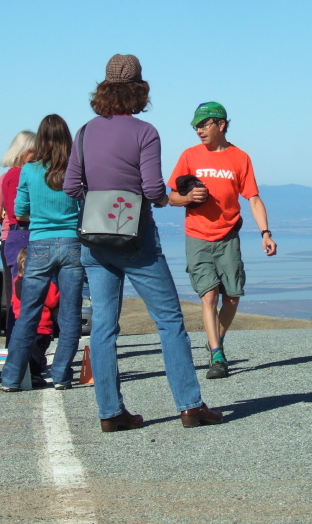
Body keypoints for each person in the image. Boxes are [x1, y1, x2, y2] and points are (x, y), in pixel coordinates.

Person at [64, 53, 221, 432]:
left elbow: (71, 187)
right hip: (136, 237)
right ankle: (189, 405)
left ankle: (110, 412)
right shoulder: (145, 132)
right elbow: (152, 189)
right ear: (139, 89)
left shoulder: (84, 132)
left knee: (103, 326)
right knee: (168, 321)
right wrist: (169, 197)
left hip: (95, 240)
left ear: (103, 88)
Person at [168, 101, 276, 379]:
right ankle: (217, 356)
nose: (199, 131)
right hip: (197, 236)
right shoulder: (189, 156)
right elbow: (170, 197)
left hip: (229, 237)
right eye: (196, 126)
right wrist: (188, 197)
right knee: (209, 295)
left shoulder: (240, 158)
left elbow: (252, 198)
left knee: (232, 297)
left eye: (204, 125)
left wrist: (266, 233)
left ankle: (215, 338)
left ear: (221, 125)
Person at [0, 115, 84, 393]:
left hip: (38, 243)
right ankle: (61, 374)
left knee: (28, 312)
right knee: (70, 314)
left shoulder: (29, 170)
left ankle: (12, 377)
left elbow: (19, 210)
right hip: (72, 242)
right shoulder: (76, 169)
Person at [0, 130, 36, 343]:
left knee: (12, 295)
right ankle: (21, 346)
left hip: (8, 235)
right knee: (24, 293)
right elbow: (20, 211)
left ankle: (12, 343)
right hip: (23, 234)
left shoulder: (3, 177)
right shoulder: (22, 175)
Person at [11, 247, 60, 387]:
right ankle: (36, 376)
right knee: (38, 354)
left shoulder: (17, 282)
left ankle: (23, 374)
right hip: (42, 325)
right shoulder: (44, 282)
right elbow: (52, 301)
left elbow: (14, 302)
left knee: (26, 351)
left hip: (22, 324)